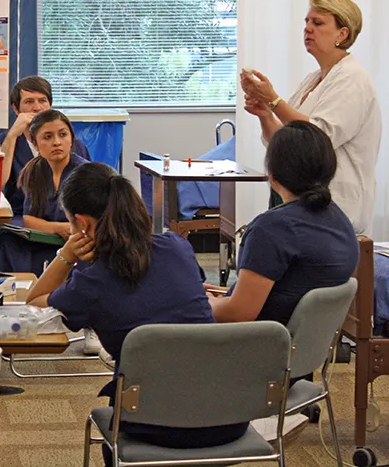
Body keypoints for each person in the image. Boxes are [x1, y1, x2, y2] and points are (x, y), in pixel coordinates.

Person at [25, 162, 247, 456]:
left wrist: (67, 253)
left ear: (83, 224)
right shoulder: (178, 246)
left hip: (152, 422)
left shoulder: (91, 281)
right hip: (229, 415)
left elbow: (34, 298)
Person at [240, 0, 381, 234]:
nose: (307, 29)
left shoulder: (352, 79)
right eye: (306, 22)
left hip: (336, 208)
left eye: (318, 23)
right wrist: (265, 113)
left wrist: (274, 101)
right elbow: (289, 142)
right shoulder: (314, 79)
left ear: (342, 34)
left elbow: (316, 138)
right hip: (301, 203)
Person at [208, 121, 359, 325]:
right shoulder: (340, 222)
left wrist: (202, 304)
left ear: (272, 174)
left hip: (254, 346)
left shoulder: (272, 229)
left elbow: (238, 313)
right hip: (297, 347)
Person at [0, 109, 88, 274]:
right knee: (5, 238)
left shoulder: (86, 172)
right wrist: (59, 227)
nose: (57, 142)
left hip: (78, 240)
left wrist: (67, 229)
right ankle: (10, 291)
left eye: (63, 134)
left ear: (72, 140)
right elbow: (30, 220)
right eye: (47, 137)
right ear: (35, 144)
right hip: (46, 237)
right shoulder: (33, 171)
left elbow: (93, 223)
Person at [0, 76, 91, 216]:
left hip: (65, 219)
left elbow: (89, 190)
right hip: (19, 218)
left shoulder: (73, 144)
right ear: (16, 108)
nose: (37, 107)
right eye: (29, 101)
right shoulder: (7, 141)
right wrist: (13, 135)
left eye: (42, 101)